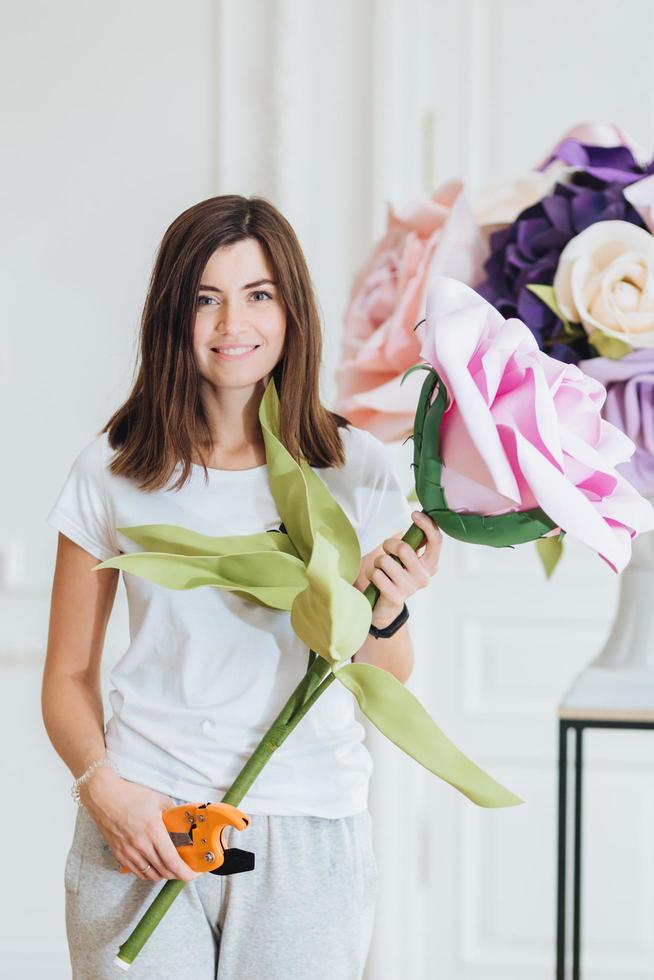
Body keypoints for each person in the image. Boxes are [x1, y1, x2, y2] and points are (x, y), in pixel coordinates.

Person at [42, 194, 442, 979]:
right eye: (206, 299)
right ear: (171, 314)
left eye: (258, 295)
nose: (234, 325)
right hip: (143, 822)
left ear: (290, 309)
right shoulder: (115, 469)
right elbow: (64, 676)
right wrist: (106, 795)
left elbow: (387, 676)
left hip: (304, 824)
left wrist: (387, 614)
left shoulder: (353, 467)